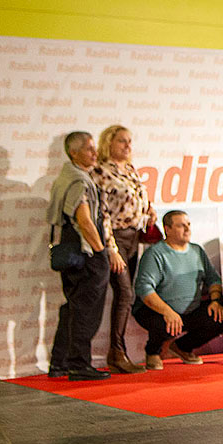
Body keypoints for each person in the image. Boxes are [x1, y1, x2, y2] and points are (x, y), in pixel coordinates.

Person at [46, 131, 118, 381]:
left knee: (73, 308)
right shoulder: (78, 181)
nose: (95, 153)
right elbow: (85, 220)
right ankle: (79, 364)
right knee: (86, 311)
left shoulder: (66, 177)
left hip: (71, 251)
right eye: (89, 149)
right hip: (85, 252)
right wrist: (100, 251)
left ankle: (60, 363)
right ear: (73, 152)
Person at [92, 124, 156, 374]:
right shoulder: (100, 171)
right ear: (109, 142)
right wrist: (111, 249)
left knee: (125, 295)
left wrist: (148, 211)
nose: (128, 146)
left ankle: (117, 351)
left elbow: (137, 198)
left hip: (134, 236)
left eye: (129, 141)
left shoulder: (129, 169)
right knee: (125, 293)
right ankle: (117, 352)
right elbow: (102, 214)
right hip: (115, 238)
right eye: (122, 141)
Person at [132, 210, 223, 369]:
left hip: (190, 311)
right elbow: (144, 288)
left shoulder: (197, 251)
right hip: (156, 311)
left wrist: (216, 301)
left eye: (188, 224)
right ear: (167, 229)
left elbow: (213, 279)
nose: (187, 229)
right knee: (163, 324)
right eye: (181, 226)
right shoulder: (155, 254)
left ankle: (183, 347)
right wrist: (167, 311)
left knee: (220, 317)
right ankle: (153, 352)